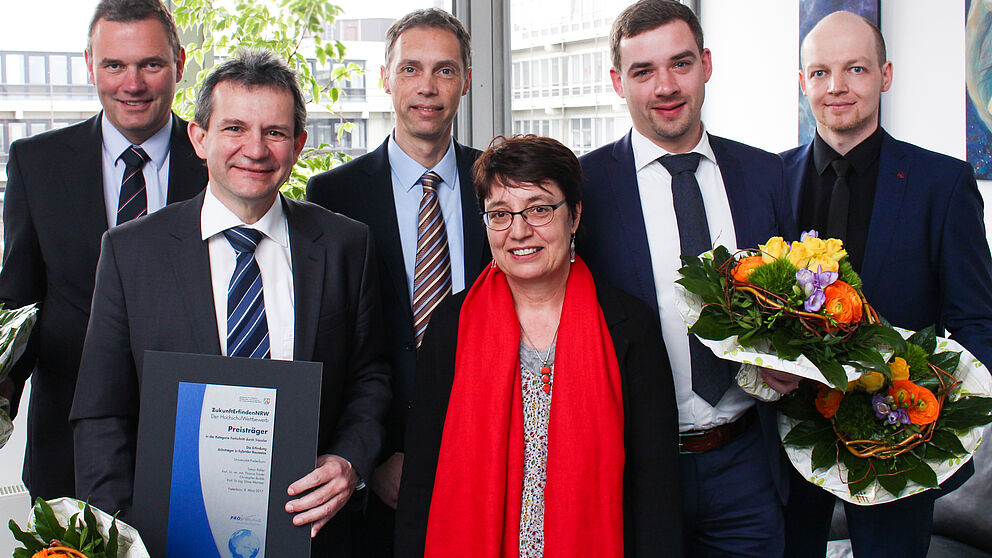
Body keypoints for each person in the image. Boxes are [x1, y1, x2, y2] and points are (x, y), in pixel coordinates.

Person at [69, 49, 390, 557]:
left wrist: (350, 461)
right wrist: (121, 536)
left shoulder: (346, 244)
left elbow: (371, 376)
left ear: (299, 144)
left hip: (311, 535)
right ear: (199, 138)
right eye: (235, 128)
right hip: (166, 541)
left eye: (275, 132)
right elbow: (101, 414)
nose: (255, 150)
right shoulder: (131, 251)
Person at [577, 1, 797, 555]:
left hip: (748, 461)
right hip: (635, 469)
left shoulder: (765, 173)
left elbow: (797, 302)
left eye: (680, 64)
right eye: (643, 71)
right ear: (616, 82)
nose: (665, 86)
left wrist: (793, 360)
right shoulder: (584, 187)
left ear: (706, 64)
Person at [395, 135, 681, 558]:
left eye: (540, 209)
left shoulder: (629, 325)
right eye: (500, 214)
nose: (519, 230)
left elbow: (656, 490)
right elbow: (423, 476)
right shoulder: (453, 325)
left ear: (575, 215)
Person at [776, 11, 992, 557]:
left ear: (885, 75)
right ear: (803, 82)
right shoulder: (769, 180)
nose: (837, 87)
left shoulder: (942, 184)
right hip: (786, 444)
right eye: (820, 73)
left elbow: (975, 319)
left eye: (856, 69)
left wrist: (940, 418)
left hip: (898, 444)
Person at [0, 0, 207, 502]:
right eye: (114, 65)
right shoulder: (37, 163)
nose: (131, 85)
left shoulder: (223, 158)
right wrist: (4, 390)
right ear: (90, 65)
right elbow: (19, 304)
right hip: (68, 447)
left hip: (198, 447)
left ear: (179, 64)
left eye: (150, 65)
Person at [305, 9, 487, 556]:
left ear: (467, 80)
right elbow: (331, 347)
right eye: (410, 69)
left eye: (445, 70)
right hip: (375, 478)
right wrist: (370, 457)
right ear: (385, 77)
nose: (427, 87)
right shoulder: (332, 196)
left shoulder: (499, 188)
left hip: (486, 460)